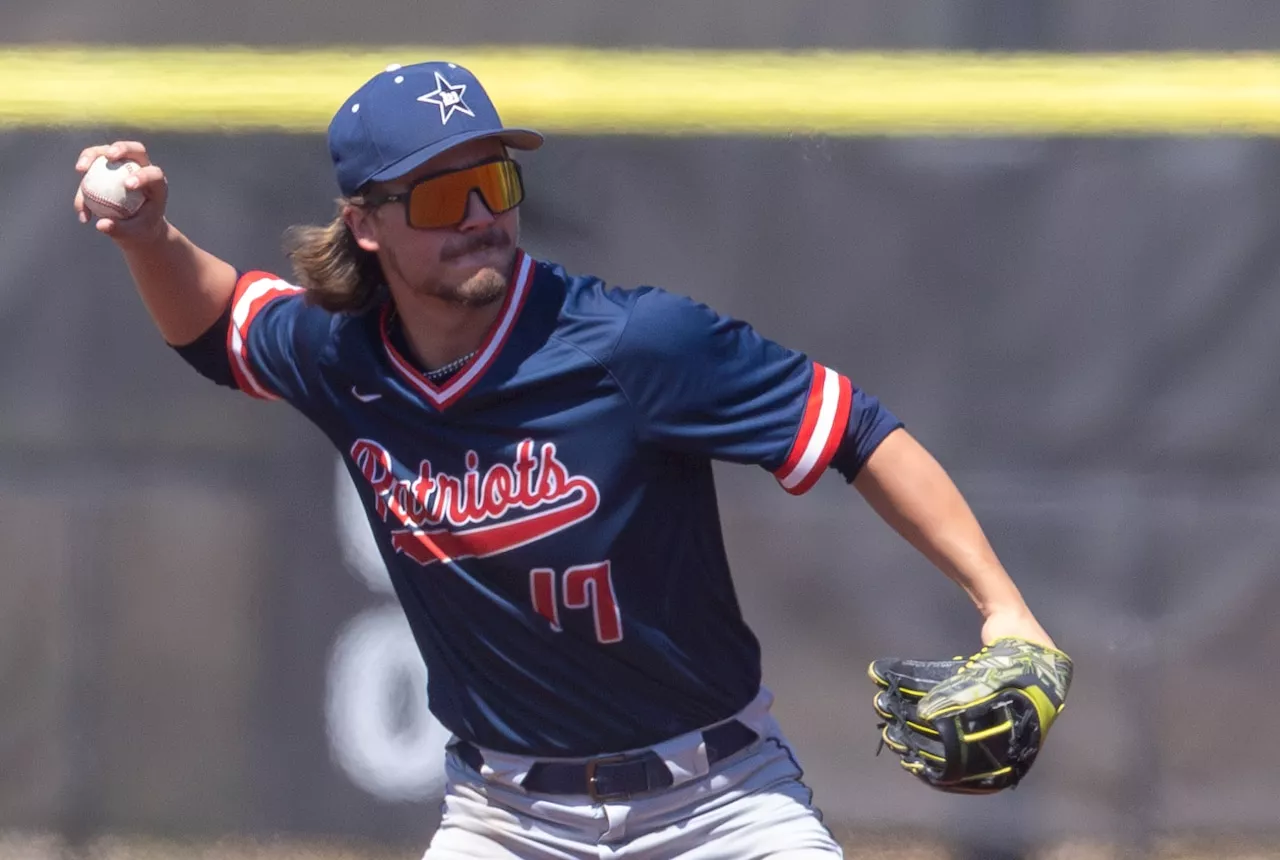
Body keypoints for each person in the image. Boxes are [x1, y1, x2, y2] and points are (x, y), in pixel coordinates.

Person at [74, 60, 1060, 859]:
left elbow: (854, 427)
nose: (478, 214)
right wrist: (150, 235)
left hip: (717, 803)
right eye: (442, 192)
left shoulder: (635, 345)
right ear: (365, 223)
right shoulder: (344, 356)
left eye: (494, 180)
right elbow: (219, 325)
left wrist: (1001, 605)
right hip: (505, 818)